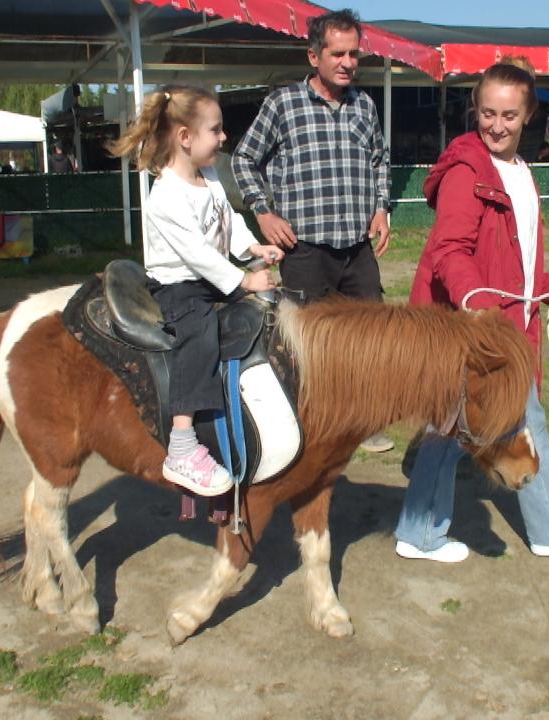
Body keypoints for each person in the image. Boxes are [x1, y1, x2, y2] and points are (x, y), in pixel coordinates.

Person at [396, 57, 549, 563]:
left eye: (508, 115)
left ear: (528, 114)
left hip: (499, 324)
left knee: (448, 432)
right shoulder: (466, 172)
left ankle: (419, 533)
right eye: (487, 113)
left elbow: (511, 256)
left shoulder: (516, 171)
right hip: (473, 332)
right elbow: (451, 252)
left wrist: (546, 287)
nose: (496, 124)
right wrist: (482, 308)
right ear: (475, 110)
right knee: (522, 425)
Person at [232, 8, 395, 454]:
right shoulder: (282, 104)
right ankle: (307, 424)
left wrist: (382, 208)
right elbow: (243, 158)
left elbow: (379, 161)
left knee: (367, 336)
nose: (347, 63)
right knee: (306, 341)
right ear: (313, 56)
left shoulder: (364, 106)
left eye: (354, 54)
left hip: (357, 248)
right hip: (305, 248)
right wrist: (263, 213)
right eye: (337, 53)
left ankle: (364, 420)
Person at [110, 85, 282, 497]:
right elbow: (196, 254)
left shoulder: (208, 176)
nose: (224, 138)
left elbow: (229, 221)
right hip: (180, 286)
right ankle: (183, 443)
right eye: (216, 130)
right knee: (200, 334)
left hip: (210, 278)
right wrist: (244, 280)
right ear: (185, 137)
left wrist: (252, 247)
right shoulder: (165, 196)